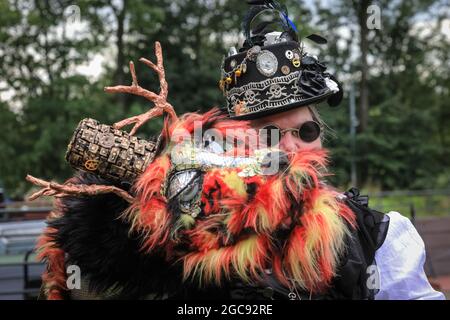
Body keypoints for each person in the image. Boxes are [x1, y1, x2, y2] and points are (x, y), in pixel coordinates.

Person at [29, 1, 444, 300]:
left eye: (306, 130)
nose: (289, 148)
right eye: (267, 132)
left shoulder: (378, 235)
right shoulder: (183, 225)